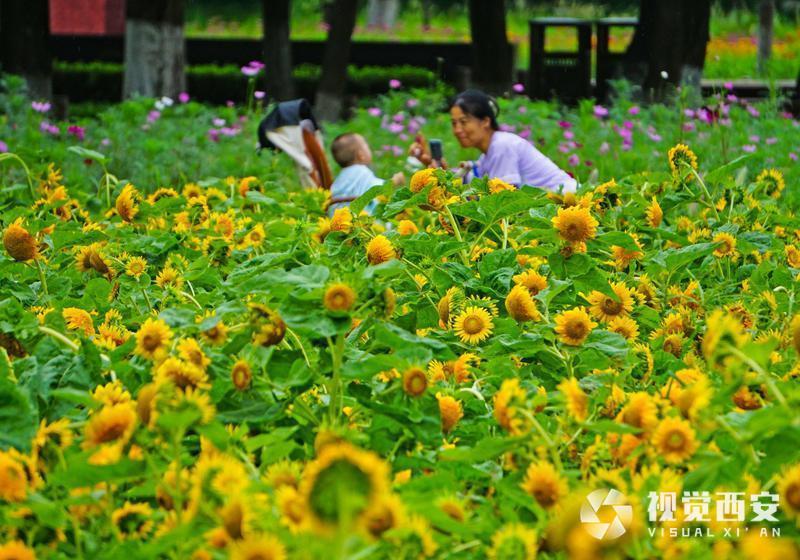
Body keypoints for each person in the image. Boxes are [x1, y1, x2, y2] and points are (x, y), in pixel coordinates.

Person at [410, 90, 577, 193]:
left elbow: (504, 198)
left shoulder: (502, 146)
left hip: (567, 203)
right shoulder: (488, 156)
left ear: (485, 121)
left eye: (464, 122)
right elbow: (464, 182)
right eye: (454, 123)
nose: (457, 130)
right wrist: (432, 166)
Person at [328, 133, 403, 216]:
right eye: (366, 146)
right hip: (363, 221)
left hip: (341, 221)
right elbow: (378, 189)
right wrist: (395, 181)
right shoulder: (362, 172)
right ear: (361, 155)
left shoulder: (339, 179)